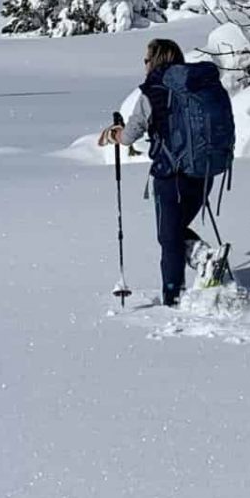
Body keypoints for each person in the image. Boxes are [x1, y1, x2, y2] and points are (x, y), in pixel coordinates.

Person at [100, 38, 209, 306]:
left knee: (168, 236)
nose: (145, 64)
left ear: (156, 60)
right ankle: (204, 260)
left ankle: (174, 295)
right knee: (175, 230)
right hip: (205, 170)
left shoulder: (153, 91)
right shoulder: (198, 85)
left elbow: (130, 135)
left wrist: (114, 135)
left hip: (171, 173)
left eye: (147, 59)